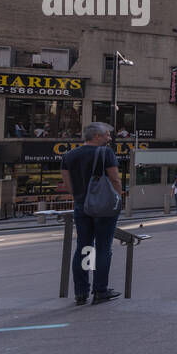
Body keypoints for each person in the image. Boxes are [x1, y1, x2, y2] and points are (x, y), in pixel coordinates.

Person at [59, 122, 124, 305]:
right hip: (104, 207)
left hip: (82, 205)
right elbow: (114, 178)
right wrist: (118, 199)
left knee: (84, 247)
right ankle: (100, 290)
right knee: (104, 248)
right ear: (97, 136)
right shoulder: (105, 153)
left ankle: (81, 292)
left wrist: (79, 197)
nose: (110, 138)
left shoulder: (69, 155)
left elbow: (67, 180)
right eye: (107, 135)